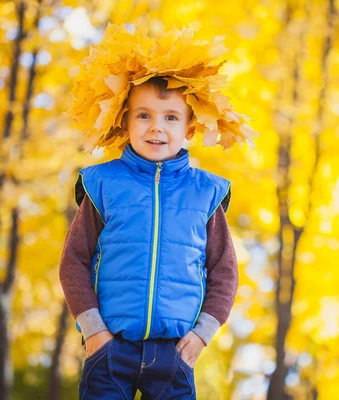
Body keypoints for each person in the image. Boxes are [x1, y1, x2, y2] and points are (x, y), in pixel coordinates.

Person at [60, 23, 256, 399]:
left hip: (175, 353)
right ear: (125, 120)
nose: (157, 127)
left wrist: (202, 335)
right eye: (144, 115)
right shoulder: (102, 185)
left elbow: (224, 270)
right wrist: (93, 330)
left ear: (190, 128)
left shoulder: (207, 193)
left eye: (170, 117)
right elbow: (73, 261)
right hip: (109, 348)